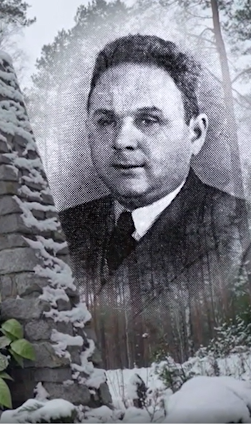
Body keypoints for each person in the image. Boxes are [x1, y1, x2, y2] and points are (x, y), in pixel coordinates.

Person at [58, 34, 250, 367]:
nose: (121, 140)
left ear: (195, 134)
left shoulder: (242, 233)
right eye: (105, 121)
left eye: (148, 120)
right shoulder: (57, 233)